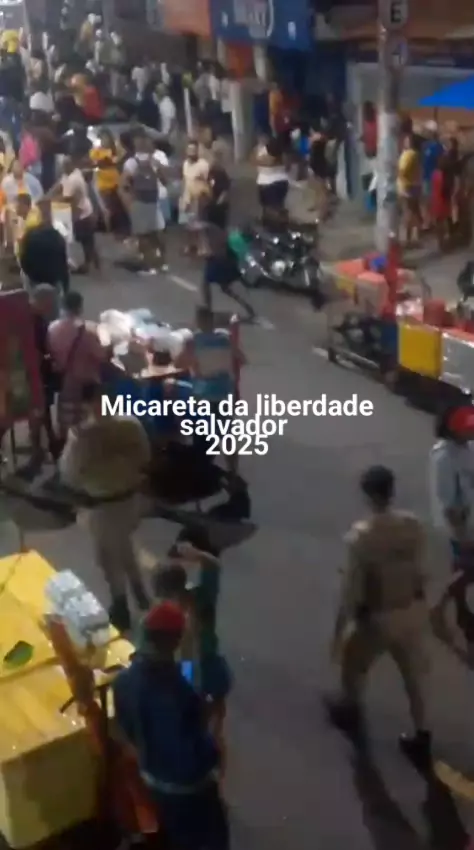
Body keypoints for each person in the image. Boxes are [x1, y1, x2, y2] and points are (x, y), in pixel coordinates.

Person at [327, 465, 431, 762]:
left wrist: (339, 632)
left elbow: (352, 593)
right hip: (411, 610)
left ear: (368, 495)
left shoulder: (361, 537)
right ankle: (422, 733)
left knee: (353, 663)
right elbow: (422, 570)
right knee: (413, 678)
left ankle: (350, 708)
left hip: (379, 617)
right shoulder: (413, 525)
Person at [112, 601, 229, 850]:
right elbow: (197, 750)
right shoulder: (181, 689)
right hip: (192, 794)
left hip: (154, 786)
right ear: (174, 642)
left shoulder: (123, 682)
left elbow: (126, 734)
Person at [59, 382, 151, 630]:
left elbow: (70, 474)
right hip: (130, 501)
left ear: (86, 404)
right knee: (123, 545)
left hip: (102, 506)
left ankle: (121, 606)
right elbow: (145, 457)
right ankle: (140, 592)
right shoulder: (130, 424)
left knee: (107, 557)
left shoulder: (82, 436)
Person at [153, 527, 232, 741]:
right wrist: (195, 554)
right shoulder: (201, 596)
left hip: (197, 665)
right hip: (204, 663)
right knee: (210, 703)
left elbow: (213, 566)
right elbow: (213, 566)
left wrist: (194, 554)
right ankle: (212, 733)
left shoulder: (190, 603)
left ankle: (210, 734)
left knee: (205, 704)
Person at [430, 405, 474, 648]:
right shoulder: (444, 458)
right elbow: (448, 502)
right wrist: (461, 535)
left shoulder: (468, 447)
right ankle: (443, 609)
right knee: (465, 571)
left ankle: (453, 611)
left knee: (466, 571)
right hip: (462, 526)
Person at [48, 291, 106, 440]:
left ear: (62, 306)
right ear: (80, 307)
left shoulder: (52, 328)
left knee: (65, 421)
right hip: (85, 385)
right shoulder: (89, 330)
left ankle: (65, 446)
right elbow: (101, 356)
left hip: (64, 384)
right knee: (85, 424)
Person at [121, 131, 166, 273]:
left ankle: (154, 264)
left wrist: (129, 201)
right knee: (151, 235)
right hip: (148, 201)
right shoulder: (146, 161)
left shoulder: (134, 162)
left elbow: (124, 184)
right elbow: (164, 179)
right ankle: (157, 264)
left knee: (148, 235)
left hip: (145, 202)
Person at [57, 156, 100, 273]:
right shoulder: (69, 174)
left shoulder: (74, 179)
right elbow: (59, 186)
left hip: (82, 212)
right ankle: (93, 262)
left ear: (70, 165)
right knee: (87, 239)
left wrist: (51, 200)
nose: (63, 168)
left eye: (65, 166)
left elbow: (67, 198)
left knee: (85, 239)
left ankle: (89, 264)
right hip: (82, 210)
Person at [19, 198, 70, 293]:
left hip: (36, 278)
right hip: (54, 278)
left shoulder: (30, 234)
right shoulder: (59, 233)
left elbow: (24, 261)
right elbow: (64, 260)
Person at [180, 140, 209, 256]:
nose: (191, 152)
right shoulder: (185, 164)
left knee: (199, 224)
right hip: (186, 196)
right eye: (189, 150)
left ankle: (203, 247)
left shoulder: (203, 164)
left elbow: (206, 182)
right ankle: (190, 245)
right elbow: (184, 180)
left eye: (193, 150)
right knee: (187, 224)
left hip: (198, 197)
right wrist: (182, 197)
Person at [254, 132, 289, 223]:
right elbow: (287, 167)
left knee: (268, 208)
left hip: (266, 184)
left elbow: (255, 161)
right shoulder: (284, 156)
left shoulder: (262, 154)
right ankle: (282, 222)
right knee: (279, 205)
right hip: (282, 182)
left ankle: (271, 223)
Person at [397, 133, 422, 246]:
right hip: (413, 186)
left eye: (407, 140)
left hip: (407, 187)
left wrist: (396, 172)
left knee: (408, 213)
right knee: (413, 212)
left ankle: (408, 239)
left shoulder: (409, 154)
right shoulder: (414, 154)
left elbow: (403, 171)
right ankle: (413, 238)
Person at [206, 148, 230, 230]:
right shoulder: (210, 172)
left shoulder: (221, 173)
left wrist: (220, 200)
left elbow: (225, 189)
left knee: (220, 226)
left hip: (220, 204)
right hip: (211, 202)